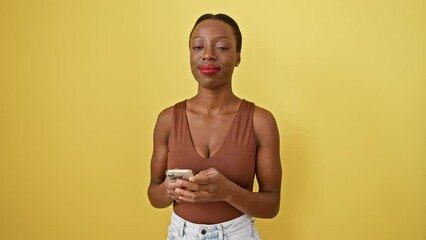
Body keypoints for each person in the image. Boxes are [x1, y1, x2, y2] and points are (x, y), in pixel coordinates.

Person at [148, 13, 282, 240]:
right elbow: (154, 194)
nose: (208, 55)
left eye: (221, 47)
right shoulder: (167, 120)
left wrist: (228, 192)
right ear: (190, 54)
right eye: (198, 46)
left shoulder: (261, 122)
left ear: (238, 56)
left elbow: (271, 205)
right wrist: (167, 191)